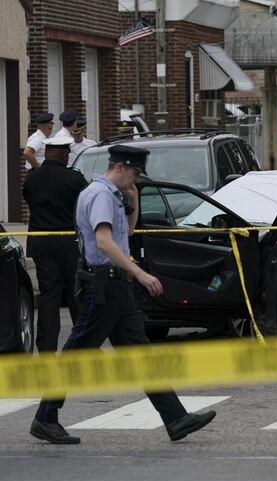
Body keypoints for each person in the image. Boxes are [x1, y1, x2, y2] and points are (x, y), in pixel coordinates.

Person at [30, 145, 216, 445]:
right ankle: (45, 417)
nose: (137, 179)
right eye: (135, 173)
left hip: (116, 288)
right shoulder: (101, 195)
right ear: (120, 167)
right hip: (102, 287)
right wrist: (141, 274)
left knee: (139, 353)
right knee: (77, 354)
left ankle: (176, 418)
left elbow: (125, 235)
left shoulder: (110, 194)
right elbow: (104, 242)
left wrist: (134, 200)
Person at [22, 135, 87, 353]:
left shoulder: (31, 178)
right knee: (75, 291)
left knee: (49, 295)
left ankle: (46, 347)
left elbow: (29, 200)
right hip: (68, 240)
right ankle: (81, 344)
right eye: (67, 153)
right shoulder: (74, 179)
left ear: (47, 153)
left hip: (41, 241)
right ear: (61, 154)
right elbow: (85, 205)